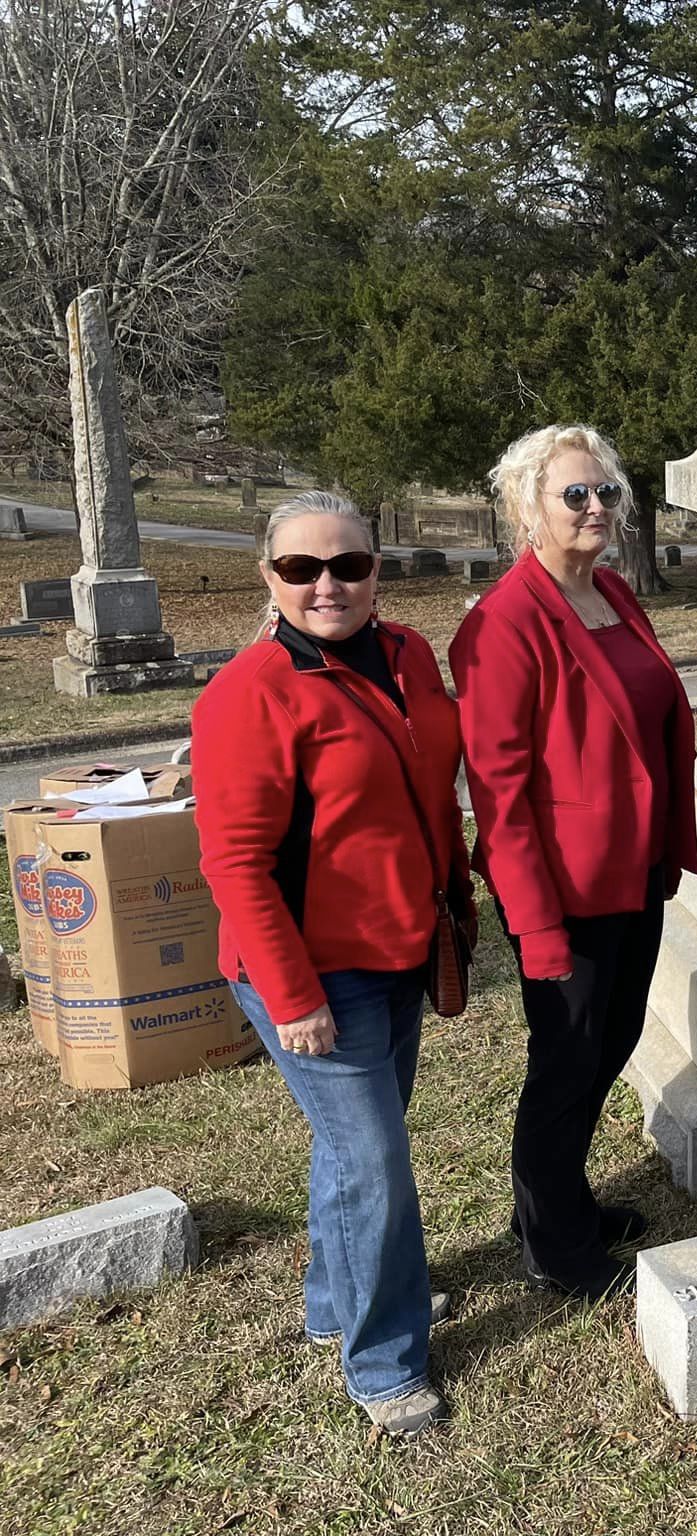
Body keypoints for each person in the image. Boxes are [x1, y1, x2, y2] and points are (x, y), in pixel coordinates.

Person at [193, 491, 469, 1438]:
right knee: (375, 1160)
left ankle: (329, 1300)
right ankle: (385, 1362)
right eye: (301, 569)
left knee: (356, 1152)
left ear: (376, 570)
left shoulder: (407, 657)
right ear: (268, 579)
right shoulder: (249, 693)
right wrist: (292, 993)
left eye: (348, 565)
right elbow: (233, 863)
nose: (327, 585)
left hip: (398, 947)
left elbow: (431, 800)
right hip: (310, 973)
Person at [451, 425, 697, 1302]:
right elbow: (501, 794)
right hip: (564, 889)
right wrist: (535, 921)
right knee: (567, 1057)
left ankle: (557, 1198)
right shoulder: (502, 625)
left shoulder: (614, 595)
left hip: (631, 875)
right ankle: (553, 1242)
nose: (596, 508)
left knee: (612, 1040)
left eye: (607, 494)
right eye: (575, 495)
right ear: (528, 507)